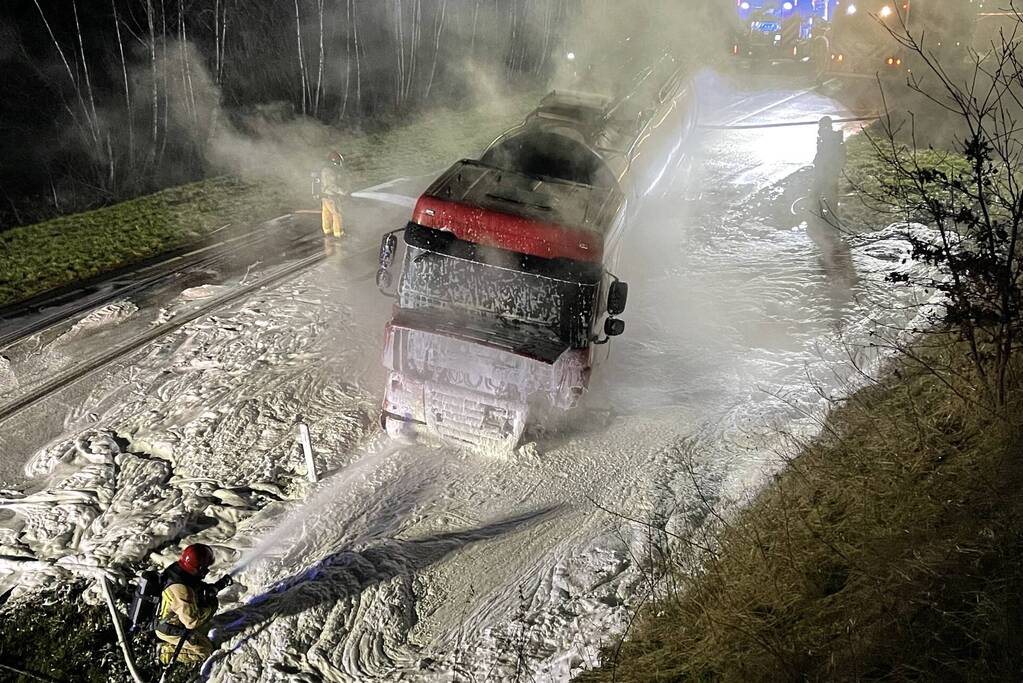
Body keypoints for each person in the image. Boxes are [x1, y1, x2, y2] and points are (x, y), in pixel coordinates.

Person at [154, 543, 232, 667]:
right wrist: (211, 605)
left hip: (175, 617)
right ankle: (164, 652)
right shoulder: (181, 590)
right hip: (169, 628)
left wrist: (212, 589)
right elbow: (191, 622)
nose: (207, 570)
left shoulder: (180, 570)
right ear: (198, 568)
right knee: (205, 651)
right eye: (205, 567)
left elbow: (195, 586)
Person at [812, 116, 846, 223]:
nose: (819, 129)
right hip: (828, 168)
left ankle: (821, 213)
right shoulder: (829, 137)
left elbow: (825, 155)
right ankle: (828, 211)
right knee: (829, 190)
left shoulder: (828, 138)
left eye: (821, 126)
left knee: (822, 189)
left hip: (827, 168)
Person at [320, 151, 346, 239]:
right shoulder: (329, 171)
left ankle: (328, 230)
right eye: (338, 162)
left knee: (326, 214)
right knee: (337, 214)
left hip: (325, 196)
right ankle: (339, 233)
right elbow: (331, 186)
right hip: (331, 197)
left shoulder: (325, 169)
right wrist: (343, 191)